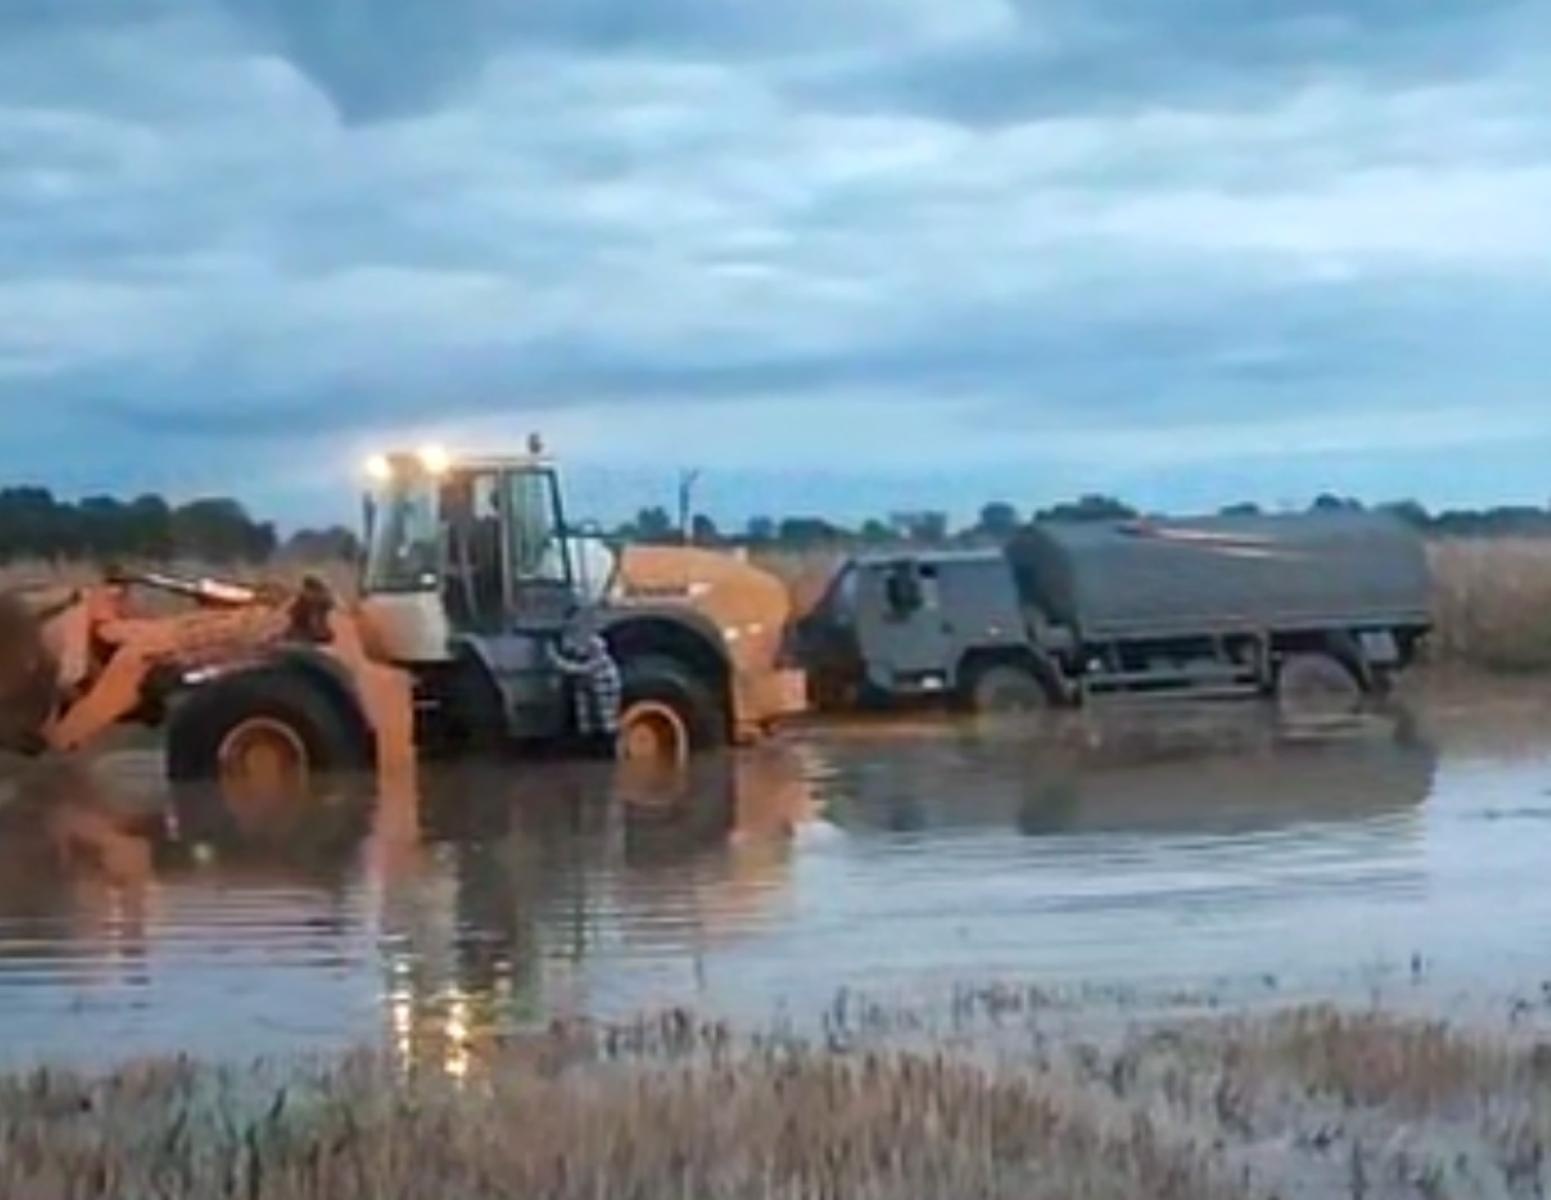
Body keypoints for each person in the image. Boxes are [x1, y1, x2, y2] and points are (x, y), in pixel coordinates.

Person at [547, 610, 622, 757]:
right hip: (591, 686)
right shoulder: (588, 644)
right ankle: (594, 751)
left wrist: (554, 658)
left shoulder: (598, 655)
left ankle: (608, 752)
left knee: (606, 722)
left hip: (604, 687)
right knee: (591, 720)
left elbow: (578, 669)